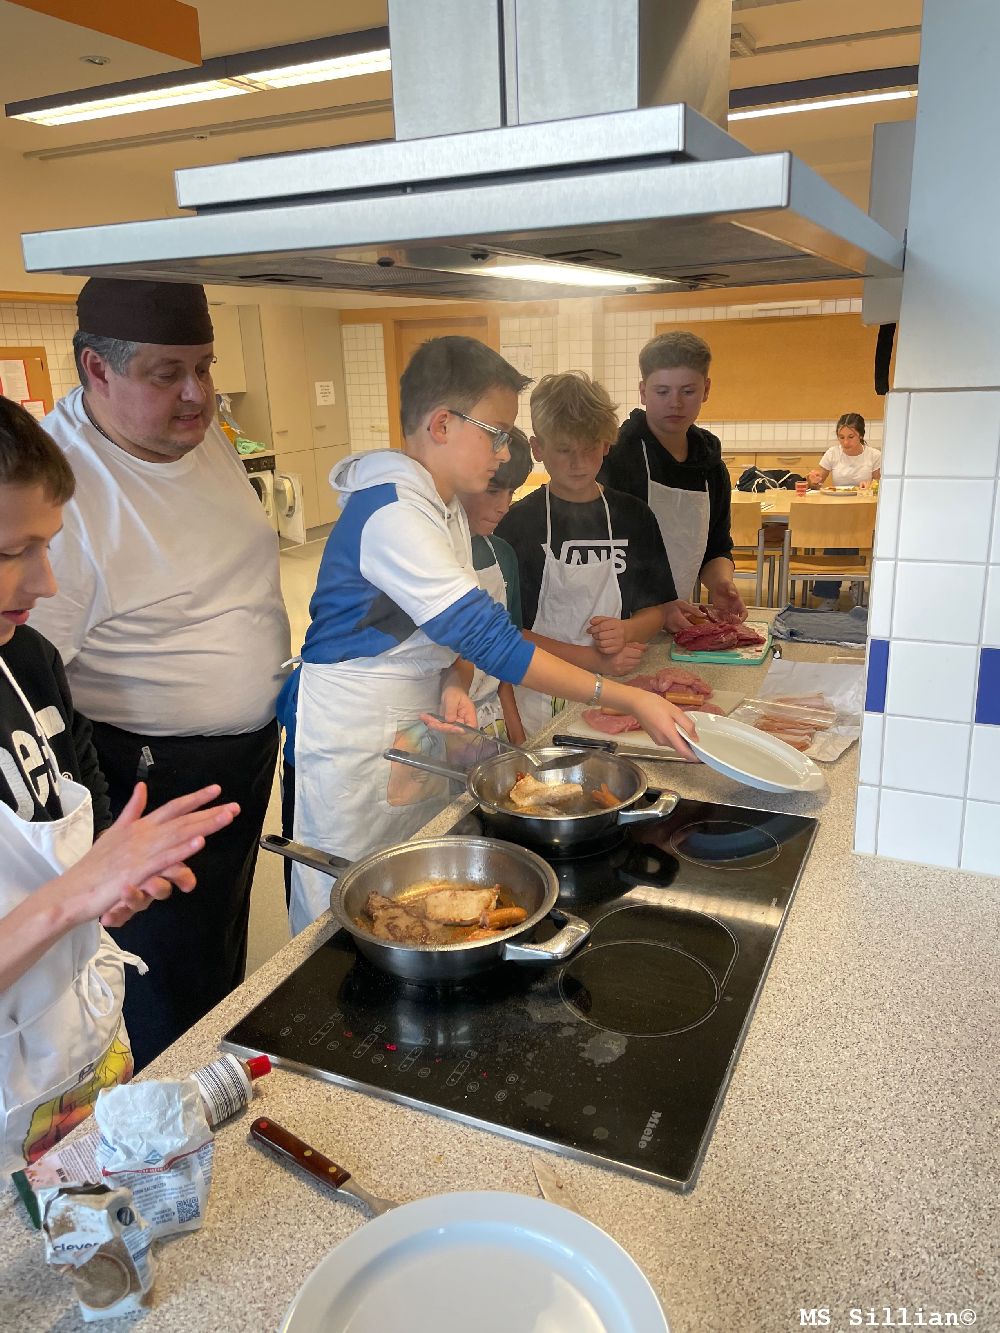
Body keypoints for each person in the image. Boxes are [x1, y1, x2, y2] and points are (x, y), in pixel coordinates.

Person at [278, 336, 695, 935]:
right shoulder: (393, 512)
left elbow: (442, 631)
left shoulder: (440, 504)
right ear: (442, 424)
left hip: (412, 722)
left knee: (410, 889)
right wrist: (626, 696)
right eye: (496, 433)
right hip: (357, 735)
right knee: (345, 900)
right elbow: (489, 637)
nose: (504, 451)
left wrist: (454, 676)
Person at [28, 279, 291, 1071]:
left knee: (218, 952)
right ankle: (171, 1109)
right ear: (96, 370)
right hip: (145, 778)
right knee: (162, 984)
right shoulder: (62, 489)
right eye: (167, 373)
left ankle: (213, 1074)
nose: (197, 394)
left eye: (204, 367)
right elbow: (33, 686)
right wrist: (93, 842)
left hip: (239, 755)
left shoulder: (191, 432)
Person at [0, 397, 239, 1173]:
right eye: (11, 551)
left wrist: (112, 881)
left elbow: (81, 802)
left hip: (78, 1052)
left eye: (47, 544)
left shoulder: (26, 659)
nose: (43, 580)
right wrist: (74, 895)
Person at [496, 372, 682, 737]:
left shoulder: (635, 516)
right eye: (564, 450)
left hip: (618, 692)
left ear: (607, 444)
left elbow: (656, 610)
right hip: (539, 693)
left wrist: (627, 630)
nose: (578, 463)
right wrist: (592, 659)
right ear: (538, 448)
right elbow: (509, 632)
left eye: (589, 448)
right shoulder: (516, 525)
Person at [598, 330, 746, 619]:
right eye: (662, 391)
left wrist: (721, 583)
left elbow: (716, 547)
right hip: (616, 619)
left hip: (678, 616)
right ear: (643, 392)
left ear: (706, 389)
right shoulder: (615, 456)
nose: (675, 403)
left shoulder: (711, 467)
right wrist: (653, 609)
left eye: (688, 391)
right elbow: (601, 552)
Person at [448, 427, 533, 764]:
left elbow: (504, 660)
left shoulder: (502, 555)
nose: (504, 507)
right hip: (442, 721)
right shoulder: (433, 556)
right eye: (493, 490)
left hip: (490, 722)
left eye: (511, 493)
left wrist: (519, 741)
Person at [808, 413, 881, 609]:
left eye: (851, 437)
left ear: (861, 435)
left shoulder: (873, 455)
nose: (845, 443)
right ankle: (852, 585)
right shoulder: (833, 453)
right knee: (837, 535)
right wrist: (813, 479)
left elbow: (879, 484)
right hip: (836, 509)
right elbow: (816, 482)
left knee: (845, 535)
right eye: (841, 437)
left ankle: (831, 593)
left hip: (862, 511)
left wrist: (871, 485)